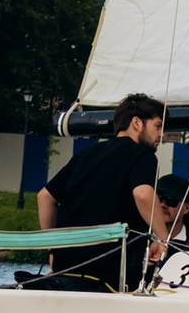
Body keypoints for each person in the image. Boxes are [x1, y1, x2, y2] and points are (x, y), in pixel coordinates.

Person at [38, 96, 170, 285]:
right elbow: (143, 195)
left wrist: (53, 249)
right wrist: (163, 239)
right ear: (136, 123)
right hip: (110, 275)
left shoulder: (86, 154)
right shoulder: (143, 156)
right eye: (158, 126)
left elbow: (44, 197)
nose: (162, 135)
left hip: (65, 270)